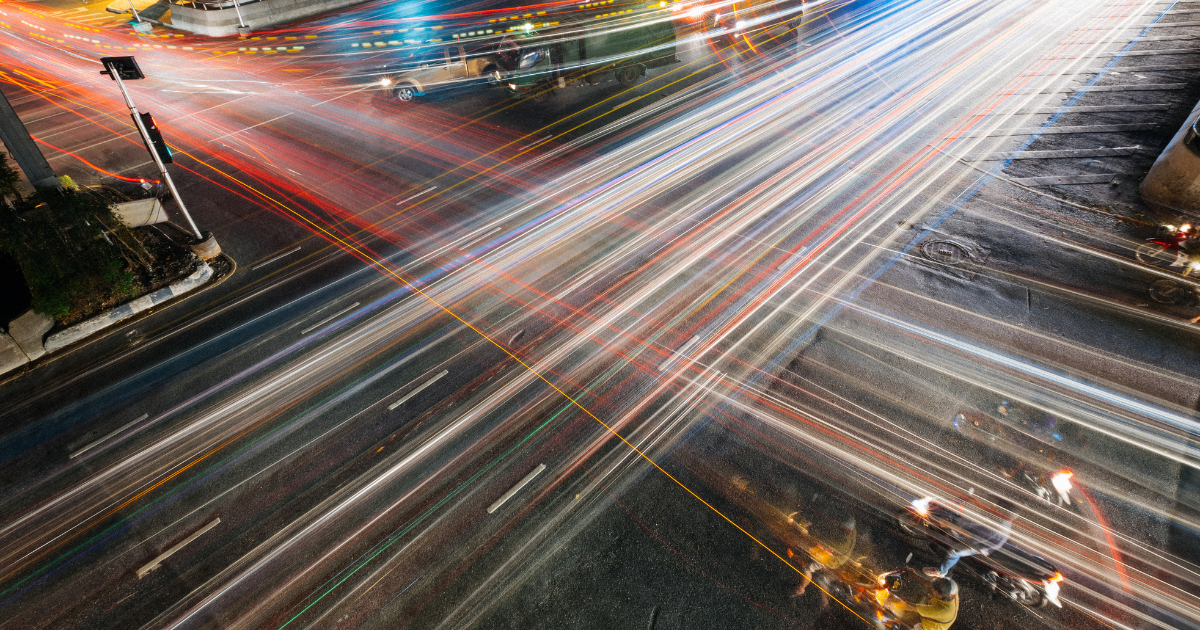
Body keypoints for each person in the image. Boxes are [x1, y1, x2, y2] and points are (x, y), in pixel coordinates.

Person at [923, 497, 1017, 578]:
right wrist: (972, 500)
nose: (995, 508)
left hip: (980, 546)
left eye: (998, 507)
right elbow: (987, 511)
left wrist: (950, 525)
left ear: (1003, 511)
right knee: (955, 539)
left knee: (954, 552)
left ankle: (940, 572)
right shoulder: (1002, 519)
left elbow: (973, 534)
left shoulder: (997, 527)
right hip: (983, 540)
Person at [889, 573, 959, 630]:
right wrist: (914, 574)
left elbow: (910, 607)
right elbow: (929, 584)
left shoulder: (941, 611)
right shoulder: (949, 591)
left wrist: (893, 600)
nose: (932, 589)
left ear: (940, 595)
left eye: (934, 590)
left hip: (928, 628)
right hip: (936, 615)